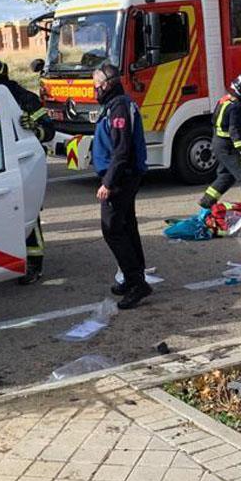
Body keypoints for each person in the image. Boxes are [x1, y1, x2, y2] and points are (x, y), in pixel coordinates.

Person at [0, 57, 55, 285]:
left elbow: (48, 131)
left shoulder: (25, 99)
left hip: (25, 166)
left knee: (28, 214)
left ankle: (34, 264)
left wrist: (34, 128)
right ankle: (9, 260)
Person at [92, 63, 151, 309]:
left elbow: (122, 149)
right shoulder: (116, 105)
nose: (95, 90)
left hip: (121, 177)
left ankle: (137, 284)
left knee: (112, 229)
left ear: (107, 84)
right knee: (127, 226)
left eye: (96, 86)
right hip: (123, 176)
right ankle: (134, 278)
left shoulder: (118, 107)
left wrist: (108, 182)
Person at [200, 73, 241, 209]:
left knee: (226, 176)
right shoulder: (236, 107)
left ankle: (206, 201)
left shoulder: (224, 100)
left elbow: (214, 122)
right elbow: (234, 133)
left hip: (218, 143)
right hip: (227, 146)